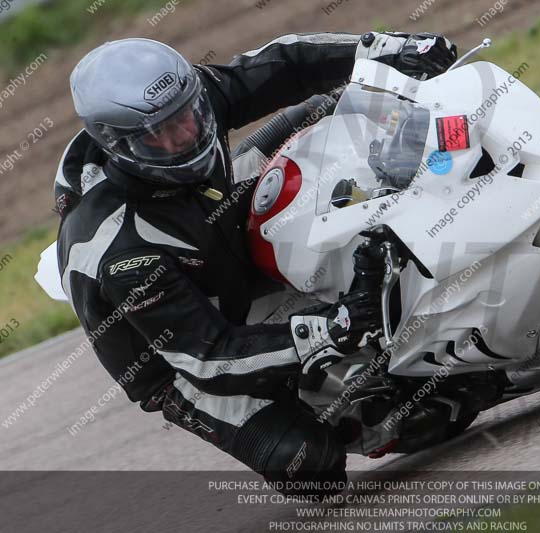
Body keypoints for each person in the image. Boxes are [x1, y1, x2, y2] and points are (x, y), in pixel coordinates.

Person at [54, 32, 457, 495]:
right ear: (119, 146)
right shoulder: (120, 251)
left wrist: (385, 49)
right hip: (182, 356)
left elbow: (283, 63)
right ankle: (359, 412)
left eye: (188, 115)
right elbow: (209, 357)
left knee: (330, 109)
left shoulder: (181, 101)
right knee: (309, 465)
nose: (186, 135)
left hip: (209, 220)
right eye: (160, 135)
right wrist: (331, 326)